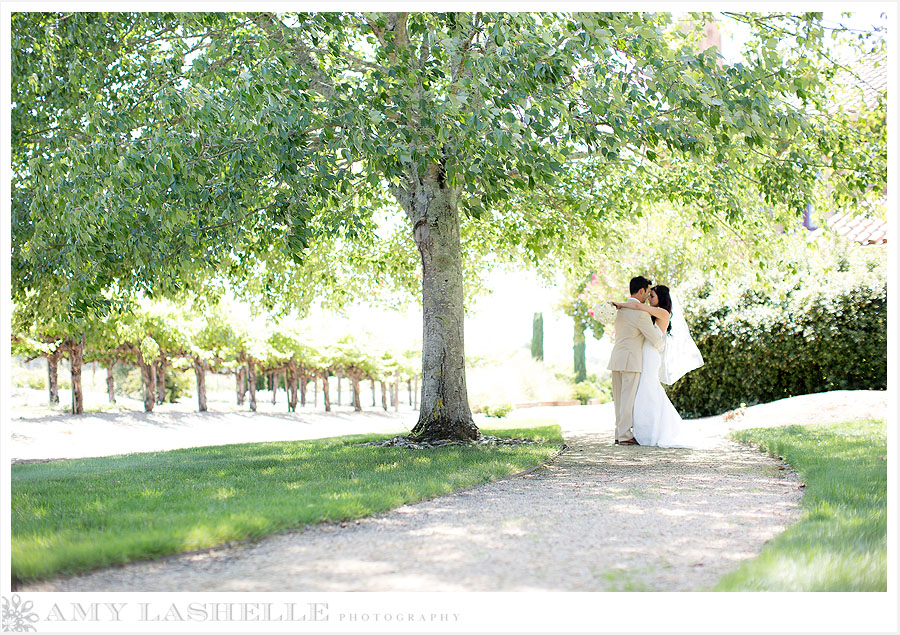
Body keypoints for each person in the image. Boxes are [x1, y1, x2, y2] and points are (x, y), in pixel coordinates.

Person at [612, 285, 705, 448]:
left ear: (661, 298)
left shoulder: (663, 313)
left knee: (648, 389)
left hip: (651, 355)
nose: (649, 299)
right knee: (644, 392)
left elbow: (637, 305)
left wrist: (619, 304)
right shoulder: (651, 313)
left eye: (652, 296)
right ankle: (644, 430)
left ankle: (652, 431)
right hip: (644, 354)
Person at [606, 276, 664, 445]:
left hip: (616, 358)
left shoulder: (619, 310)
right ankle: (624, 436)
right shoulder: (641, 314)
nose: (647, 296)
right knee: (627, 399)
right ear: (640, 291)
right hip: (631, 361)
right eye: (646, 292)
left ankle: (619, 434)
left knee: (618, 399)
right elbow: (654, 338)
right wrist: (663, 345)